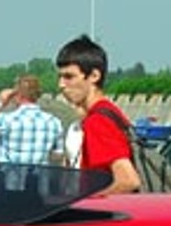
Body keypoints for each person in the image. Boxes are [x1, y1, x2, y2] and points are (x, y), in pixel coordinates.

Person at [55, 34, 138, 195]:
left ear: (94, 76)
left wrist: (87, 200)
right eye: (60, 77)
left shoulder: (98, 121)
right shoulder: (110, 112)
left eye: (69, 77)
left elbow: (128, 180)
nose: (61, 85)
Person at [0, 74, 65, 165]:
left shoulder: (7, 120)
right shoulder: (54, 122)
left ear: (17, 95)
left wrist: (0, 103)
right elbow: (58, 153)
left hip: (9, 176)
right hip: (39, 176)